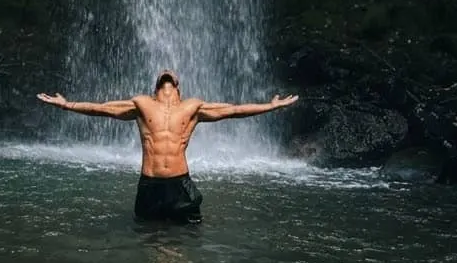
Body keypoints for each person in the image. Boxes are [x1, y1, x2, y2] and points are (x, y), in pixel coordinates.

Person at [37, 70, 298, 223]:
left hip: (179, 183)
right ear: (156, 88)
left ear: (178, 87)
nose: (167, 74)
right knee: (145, 235)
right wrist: (67, 104)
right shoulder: (141, 104)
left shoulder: (193, 106)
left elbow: (234, 110)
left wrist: (271, 106)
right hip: (149, 182)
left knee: (187, 240)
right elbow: (102, 108)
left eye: (171, 76)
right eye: (164, 76)